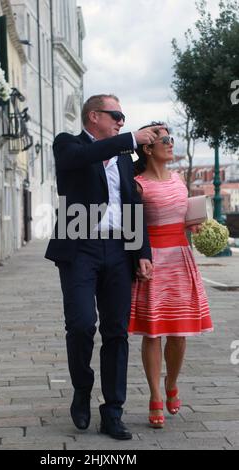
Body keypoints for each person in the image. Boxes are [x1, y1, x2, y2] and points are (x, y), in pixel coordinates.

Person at [45, 94, 162, 440]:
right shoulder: (68, 144)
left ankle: (113, 411)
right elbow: (83, 157)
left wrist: (142, 252)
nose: (122, 121)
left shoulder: (125, 161)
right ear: (94, 116)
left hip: (118, 251)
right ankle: (82, 389)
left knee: (116, 332)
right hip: (79, 247)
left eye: (125, 118)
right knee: (81, 325)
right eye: (117, 115)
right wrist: (128, 141)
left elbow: (132, 205)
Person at [129, 122, 213, 429]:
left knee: (178, 334)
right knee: (153, 333)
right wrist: (139, 258)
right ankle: (154, 396)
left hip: (181, 259)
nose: (171, 143)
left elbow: (185, 218)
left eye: (171, 138)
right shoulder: (137, 183)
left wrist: (197, 226)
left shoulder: (179, 180)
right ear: (148, 147)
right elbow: (133, 227)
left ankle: (172, 383)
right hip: (151, 263)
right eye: (165, 139)